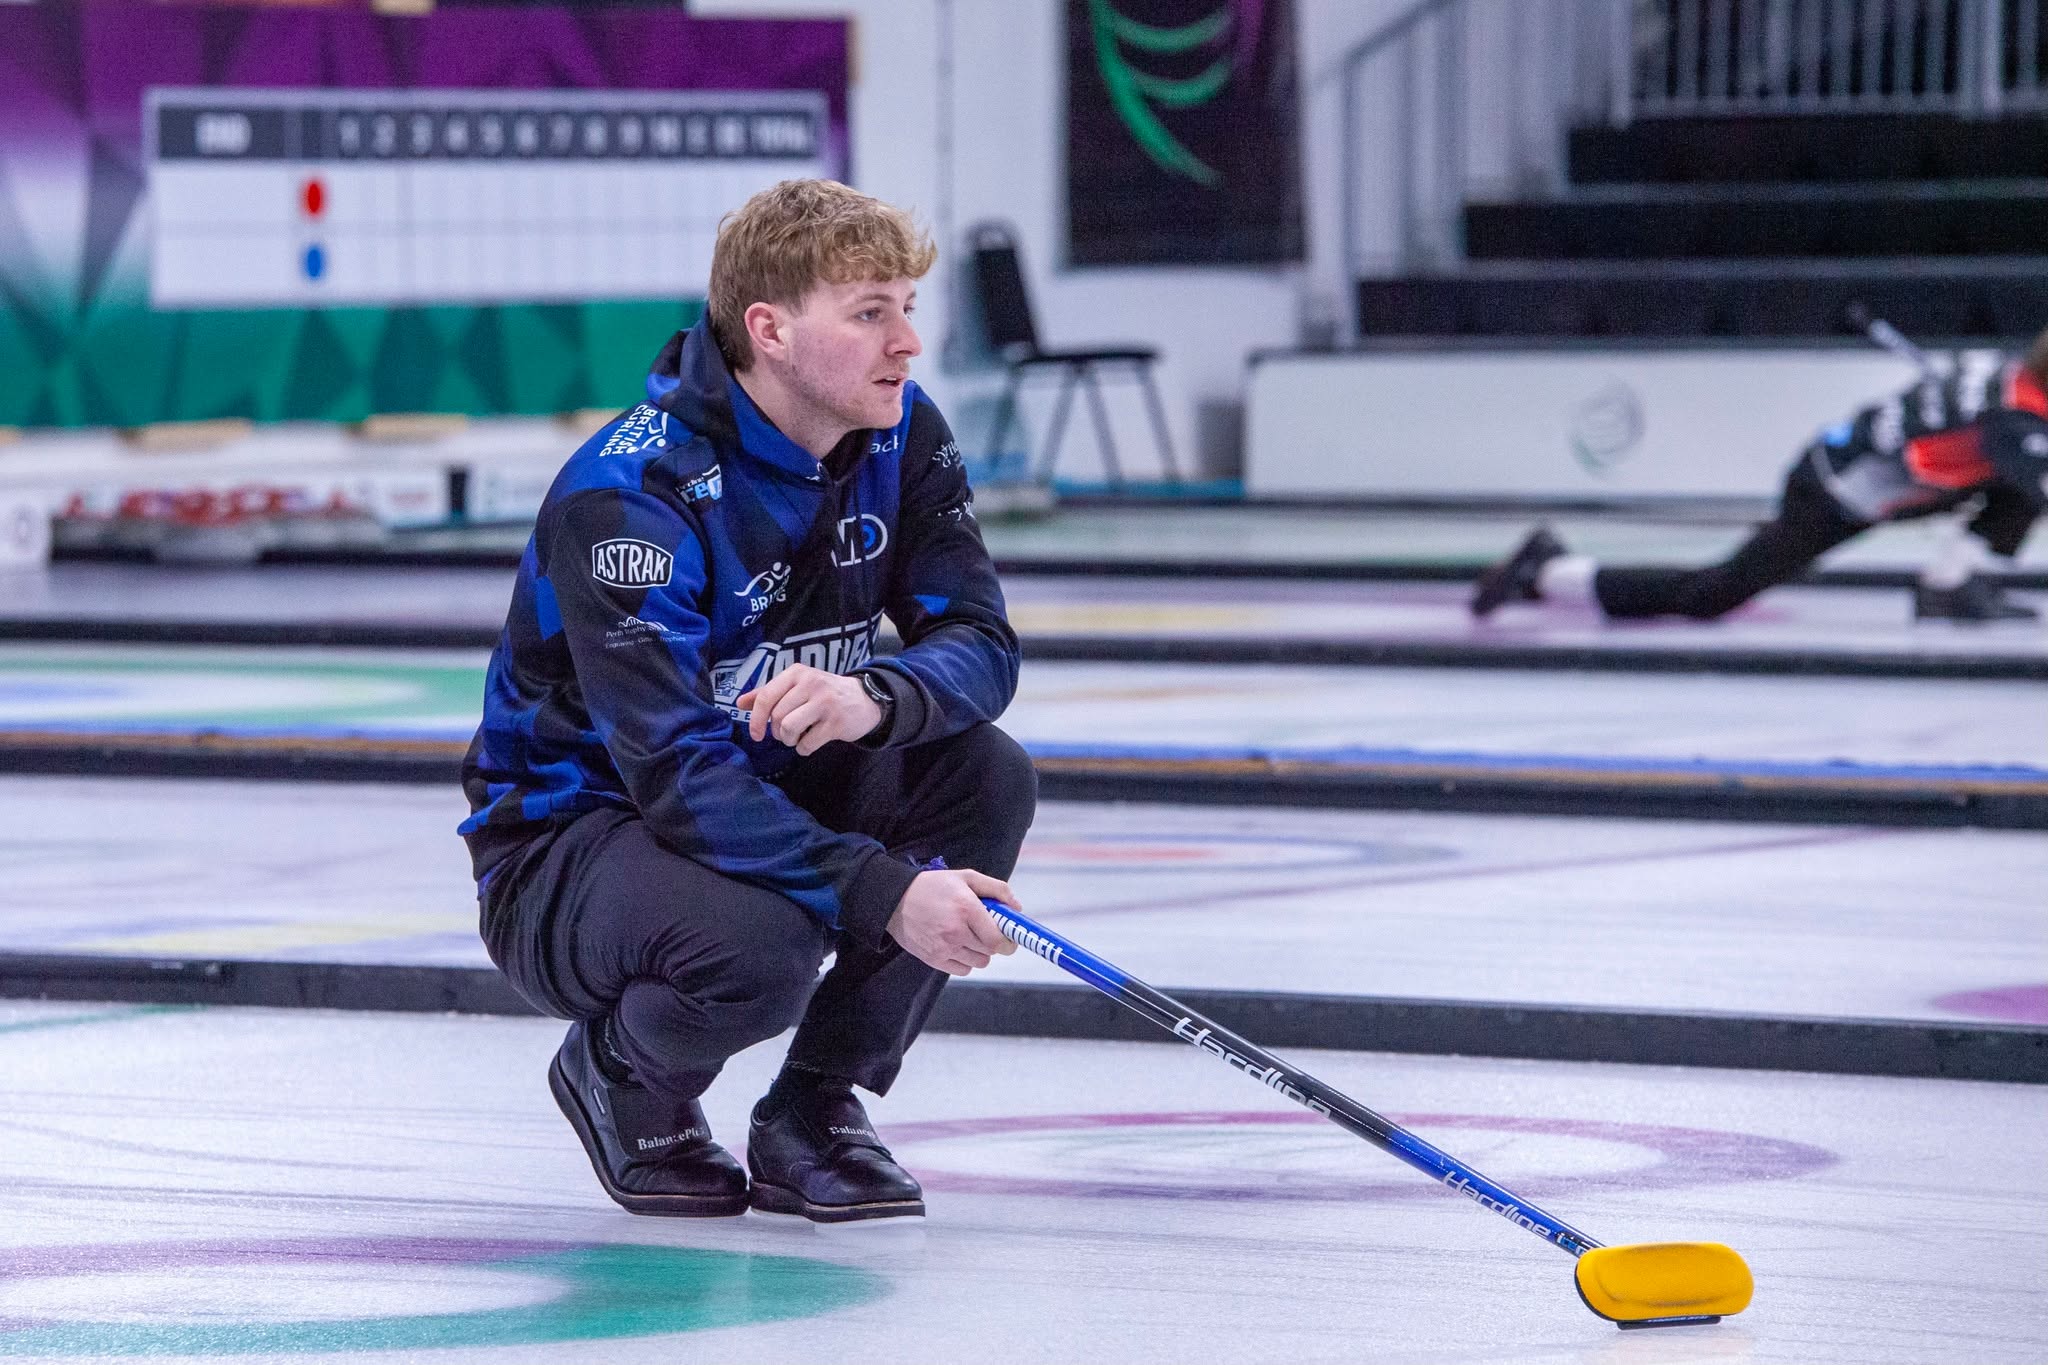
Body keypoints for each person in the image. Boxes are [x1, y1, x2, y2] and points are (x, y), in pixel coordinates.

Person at [459, 179, 1036, 1224]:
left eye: (907, 307)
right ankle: (622, 1076)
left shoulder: (900, 430)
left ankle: (815, 1110)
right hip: (571, 844)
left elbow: (981, 643)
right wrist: (886, 892)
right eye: (870, 313)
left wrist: (878, 696)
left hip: (759, 787)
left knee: (983, 773)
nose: (907, 342)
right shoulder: (630, 496)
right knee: (763, 947)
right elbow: (678, 776)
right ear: (769, 331)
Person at [1471, 327, 2048, 624]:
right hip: (1834, 492)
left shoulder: (2010, 377)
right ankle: (1549, 571)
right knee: (1712, 595)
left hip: (1851, 467)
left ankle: (1949, 586)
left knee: (2018, 491)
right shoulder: (2019, 421)